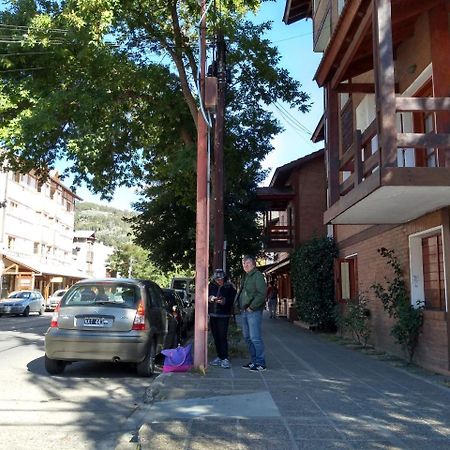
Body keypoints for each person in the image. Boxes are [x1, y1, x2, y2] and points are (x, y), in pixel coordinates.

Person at [239, 255, 267, 372]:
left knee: (255, 338)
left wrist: (252, 307)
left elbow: (262, 293)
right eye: (244, 263)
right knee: (247, 338)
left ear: (254, 264)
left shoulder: (257, 276)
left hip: (253, 311)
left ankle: (261, 363)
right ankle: (254, 361)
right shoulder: (246, 277)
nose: (245, 265)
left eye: (248, 263)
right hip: (245, 311)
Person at [208, 269, 236, 369]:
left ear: (224, 278)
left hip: (224, 315)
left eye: (221, 279)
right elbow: (206, 296)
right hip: (213, 314)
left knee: (222, 336)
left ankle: (225, 358)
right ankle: (219, 356)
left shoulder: (229, 287)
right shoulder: (211, 286)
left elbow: (232, 299)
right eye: (217, 279)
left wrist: (224, 300)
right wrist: (211, 298)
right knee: (216, 337)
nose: (219, 281)